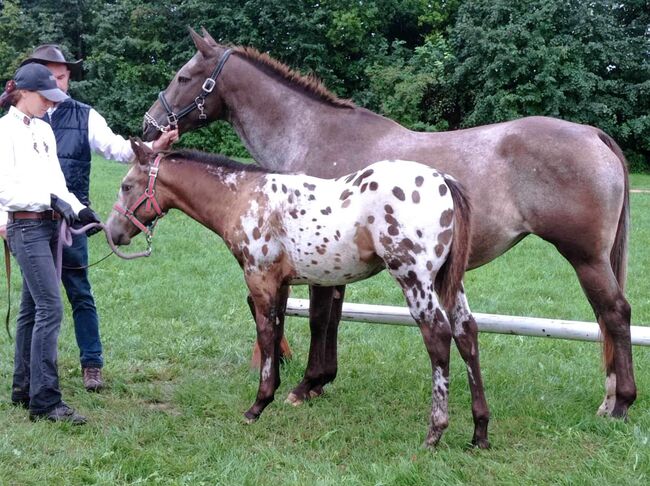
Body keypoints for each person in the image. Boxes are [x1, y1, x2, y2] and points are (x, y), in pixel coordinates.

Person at [16, 44, 178, 392]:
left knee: (79, 294)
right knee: (36, 301)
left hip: (72, 222)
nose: (55, 84)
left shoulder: (84, 115)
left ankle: (92, 364)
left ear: (69, 77)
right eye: (48, 77)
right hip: (30, 222)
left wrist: (156, 145)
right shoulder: (21, 123)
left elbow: (118, 149)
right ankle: (29, 375)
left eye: (60, 76)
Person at [0, 63, 101, 423]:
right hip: (25, 229)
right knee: (51, 308)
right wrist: (48, 200)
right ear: (23, 93)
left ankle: (22, 386)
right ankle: (44, 401)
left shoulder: (44, 130)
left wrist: (79, 208)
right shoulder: (3, 132)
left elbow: (57, 182)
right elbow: (6, 190)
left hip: (48, 225)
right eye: (45, 96)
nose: (49, 103)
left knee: (31, 310)